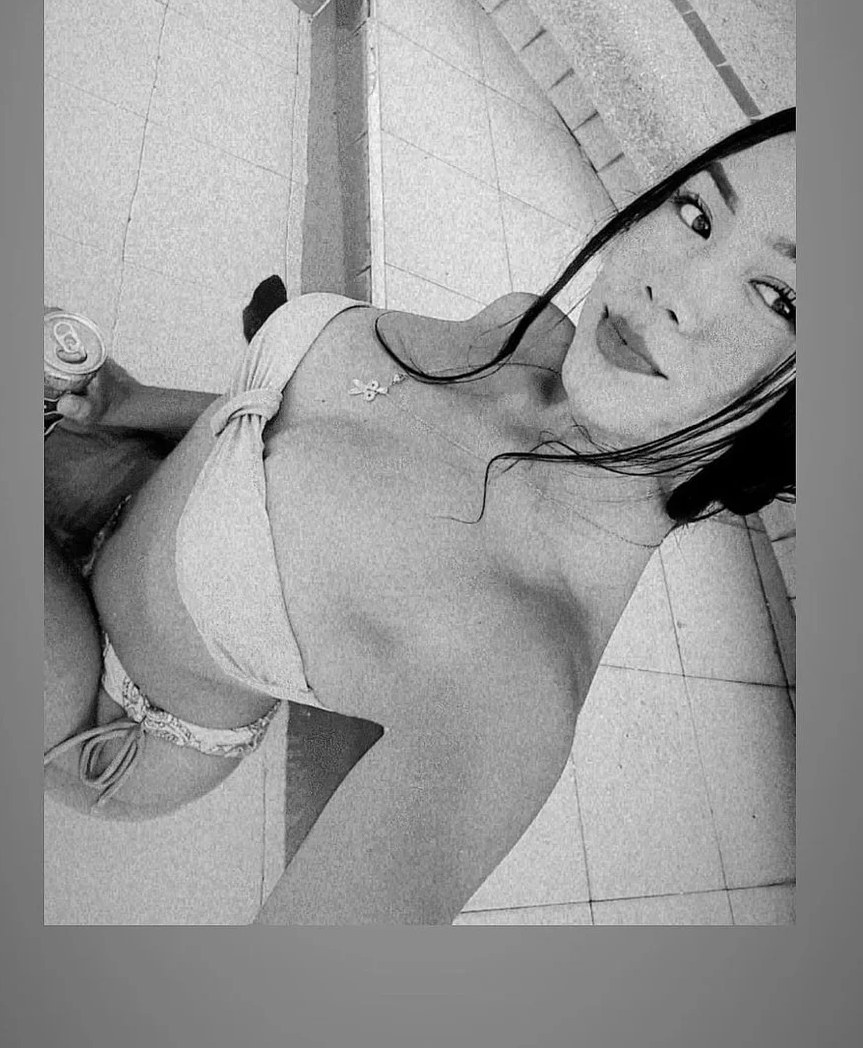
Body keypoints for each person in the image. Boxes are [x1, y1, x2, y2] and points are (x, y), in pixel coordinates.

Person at [44, 107, 795, 925]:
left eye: (779, 298)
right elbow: (282, 426)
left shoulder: (514, 686)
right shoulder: (525, 330)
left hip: (105, 708)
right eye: (698, 212)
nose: (673, 290)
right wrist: (131, 404)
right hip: (129, 488)